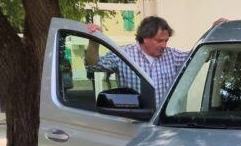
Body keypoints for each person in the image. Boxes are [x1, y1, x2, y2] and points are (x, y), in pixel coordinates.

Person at [85, 16, 227, 106]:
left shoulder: (172, 56)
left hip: (163, 126)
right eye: (159, 41)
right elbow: (93, 66)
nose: (164, 45)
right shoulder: (124, 54)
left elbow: (200, 56)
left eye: (166, 40)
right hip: (132, 124)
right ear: (145, 38)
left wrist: (214, 32)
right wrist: (94, 41)